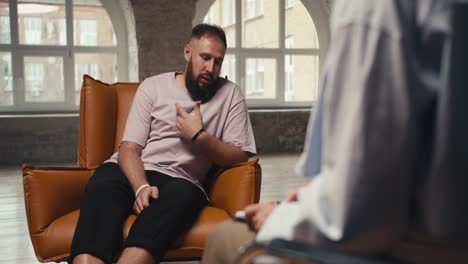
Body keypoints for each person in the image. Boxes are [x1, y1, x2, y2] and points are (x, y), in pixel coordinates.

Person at [202, 0, 468, 263]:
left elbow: (361, 217)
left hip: (421, 247)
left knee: (225, 236)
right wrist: (319, 195)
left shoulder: (375, 7)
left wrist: (283, 215)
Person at [69, 23, 256, 264]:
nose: (211, 68)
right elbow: (129, 148)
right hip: (129, 172)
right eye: (205, 57)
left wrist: (199, 136)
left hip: (181, 181)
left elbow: (240, 154)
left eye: (217, 62)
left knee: (183, 197)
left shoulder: (230, 94)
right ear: (188, 53)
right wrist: (140, 187)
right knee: (102, 186)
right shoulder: (153, 86)